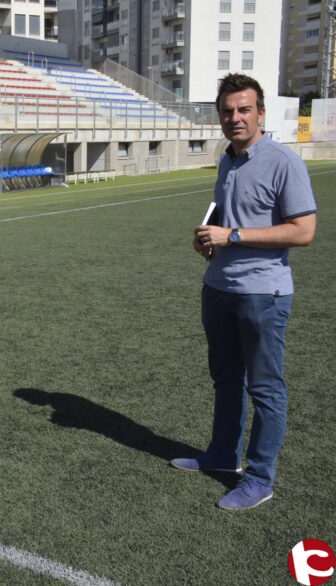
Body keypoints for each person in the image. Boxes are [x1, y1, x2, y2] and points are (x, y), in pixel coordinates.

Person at [170, 74, 317, 510]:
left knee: (266, 389)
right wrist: (207, 239)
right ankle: (221, 456)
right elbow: (223, 216)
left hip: (262, 293)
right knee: (226, 379)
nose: (235, 118)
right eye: (227, 111)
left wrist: (231, 236)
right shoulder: (227, 160)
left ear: (261, 113)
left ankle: (259, 478)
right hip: (218, 288)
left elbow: (303, 231)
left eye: (243, 109)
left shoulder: (282, 161)